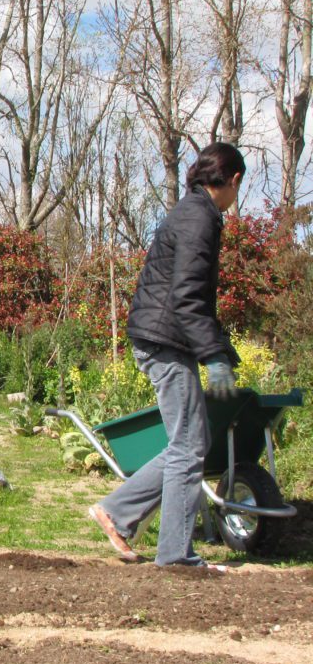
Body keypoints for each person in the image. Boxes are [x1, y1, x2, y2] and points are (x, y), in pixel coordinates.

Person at [88, 142, 244, 570]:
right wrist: (212, 355)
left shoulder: (193, 211)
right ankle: (175, 554)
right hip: (164, 340)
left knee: (188, 443)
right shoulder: (200, 218)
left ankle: (118, 513)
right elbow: (186, 296)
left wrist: (220, 348)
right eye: (238, 188)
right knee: (191, 444)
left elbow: (191, 297)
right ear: (232, 181)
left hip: (163, 336)